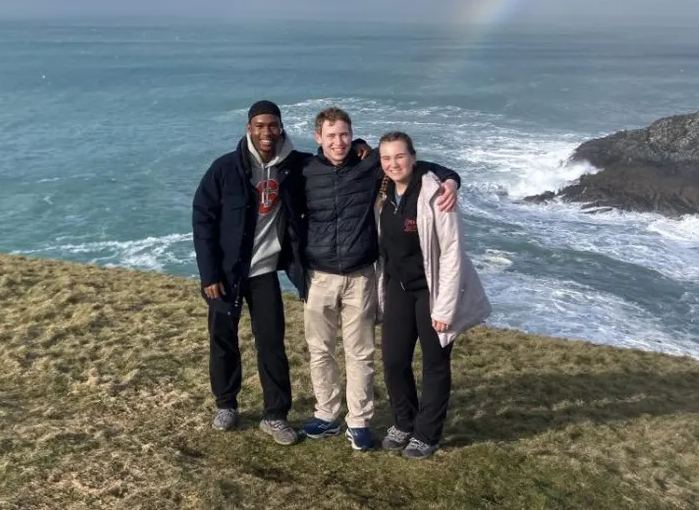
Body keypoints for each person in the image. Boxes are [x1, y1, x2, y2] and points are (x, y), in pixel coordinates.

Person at [298, 106, 462, 452]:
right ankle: (327, 414)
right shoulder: (305, 170)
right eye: (331, 136)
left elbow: (416, 165)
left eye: (345, 134)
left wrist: (451, 178)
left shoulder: (370, 165)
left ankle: (359, 422)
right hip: (321, 276)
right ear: (318, 138)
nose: (339, 142)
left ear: (353, 134)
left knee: (361, 353)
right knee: (323, 350)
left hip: (362, 277)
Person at [191, 100, 308, 446]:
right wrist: (209, 273)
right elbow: (203, 219)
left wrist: (361, 148)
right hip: (227, 273)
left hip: (266, 271)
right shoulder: (225, 168)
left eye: (272, 125)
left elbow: (336, 163)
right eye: (259, 125)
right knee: (223, 340)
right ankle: (226, 404)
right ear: (248, 129)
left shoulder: (296, 166)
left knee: (271, 344)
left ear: (281, 127)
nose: (266, 132)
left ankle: (275, 415)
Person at [374, 131, 491, 459]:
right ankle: (404, 421)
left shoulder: (435, 193)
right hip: (398, 288)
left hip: (432, 290)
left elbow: (453, 252)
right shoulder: (382, 194)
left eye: (400, 156)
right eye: (386, 158)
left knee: (435, 363)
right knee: (394, 361)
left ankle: (427, 433)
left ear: (414, 157)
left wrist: (445, 307)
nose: (394, 163)